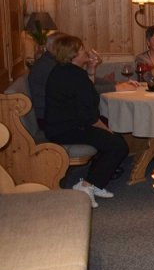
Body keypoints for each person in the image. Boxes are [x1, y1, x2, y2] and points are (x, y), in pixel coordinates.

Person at [44, 35, 129, 208]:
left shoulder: (65, 70)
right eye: (82, 49)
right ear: (73, 54)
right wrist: (106, 130)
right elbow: (89, 116)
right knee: (118, 145)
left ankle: (94, 183)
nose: (86, 51)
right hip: (65, 129)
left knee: (115, 140)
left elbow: (87, 93)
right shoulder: (74, 75)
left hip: (64, 125)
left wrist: (91, 69)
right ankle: (85, 185)